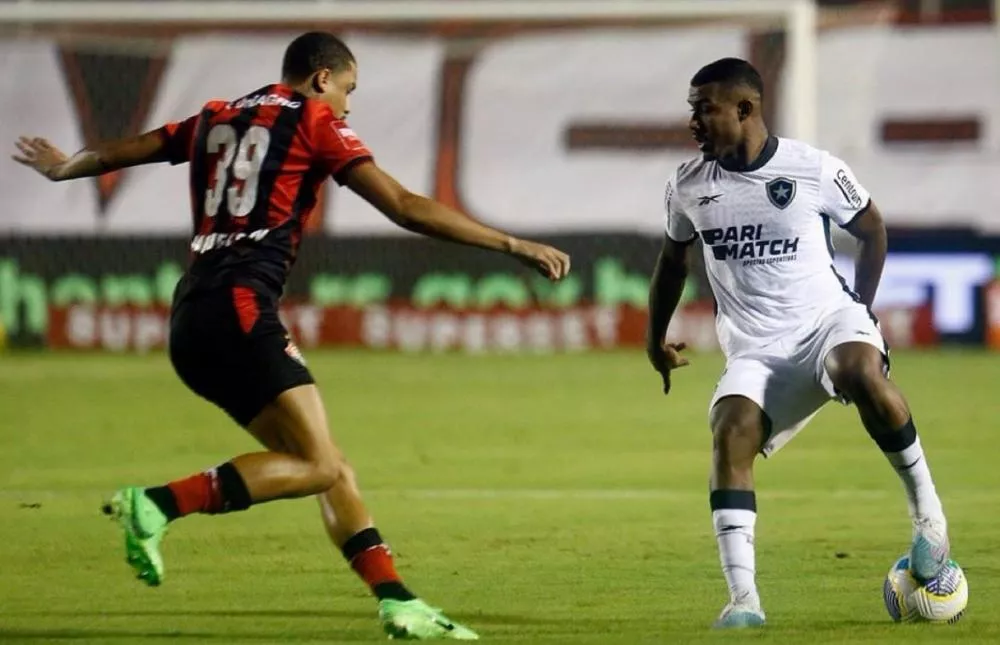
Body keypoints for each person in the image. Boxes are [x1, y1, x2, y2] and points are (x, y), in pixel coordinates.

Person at [12, 31, 571, 641]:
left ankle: (397, 602)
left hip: (191, 318)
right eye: (349, 90)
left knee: (326, 463)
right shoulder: (312, 120)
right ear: (322, 77)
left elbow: (128, 149)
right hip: (242, 310)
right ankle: (157, 504)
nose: (349, 107)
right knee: (317, 465)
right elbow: (405, 206)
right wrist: (512, 244)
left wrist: (67, 166)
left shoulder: (216, 115)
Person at [645, 57, 949, 628]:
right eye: (692, 110)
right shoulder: (688, 186)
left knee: (858, 366)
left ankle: (929, 517)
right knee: (729, 430)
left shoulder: (812, 168)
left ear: (745, 108)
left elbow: (871, 227)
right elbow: (671, 262)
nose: (693, 122)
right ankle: (744, 603)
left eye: (703, 109)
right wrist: (653, 339)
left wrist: (862, 309)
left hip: (826, 322)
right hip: (756, 350)